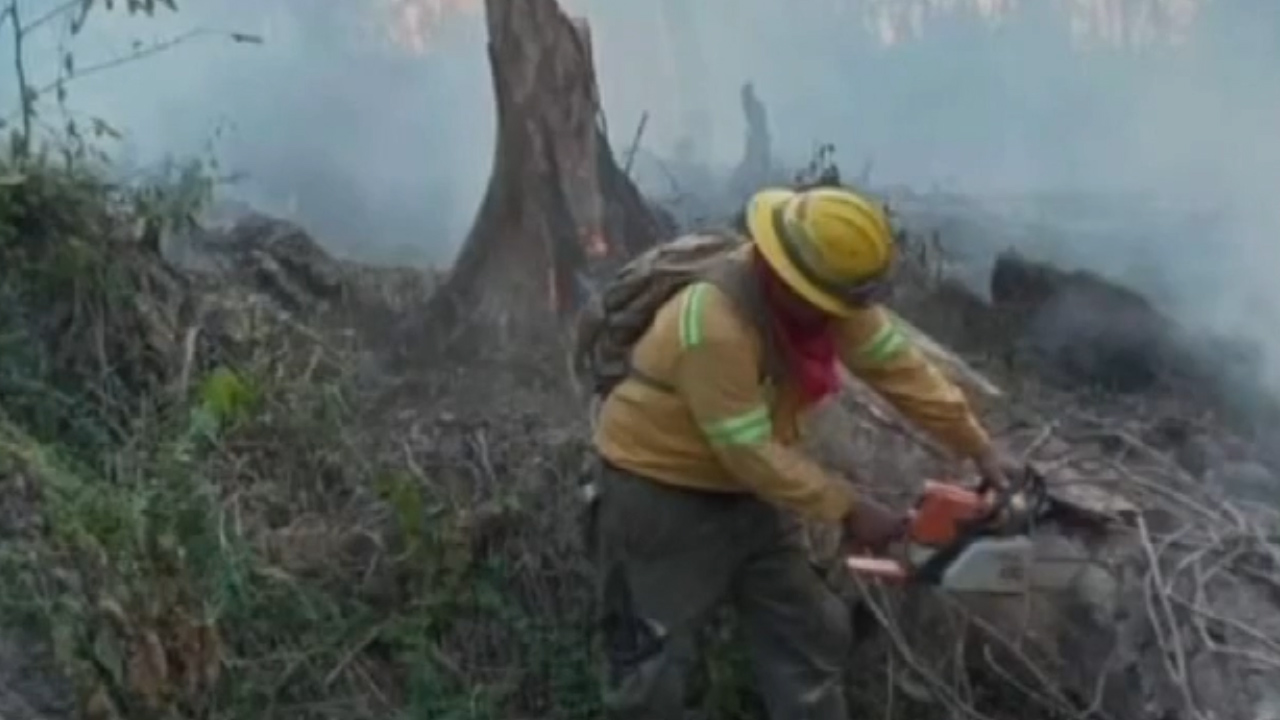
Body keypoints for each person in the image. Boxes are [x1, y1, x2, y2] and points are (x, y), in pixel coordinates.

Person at [588, 185, 1011, 720]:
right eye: (831, 306)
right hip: (658, 499)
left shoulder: (825, 300)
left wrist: (979, 448)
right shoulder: (713, 324)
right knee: (651, 674)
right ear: (787, 278)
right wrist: (848, 507)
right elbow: (748, 450)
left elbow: (900, 369)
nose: (842, 318)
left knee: (808, 637)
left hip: (749, 495)